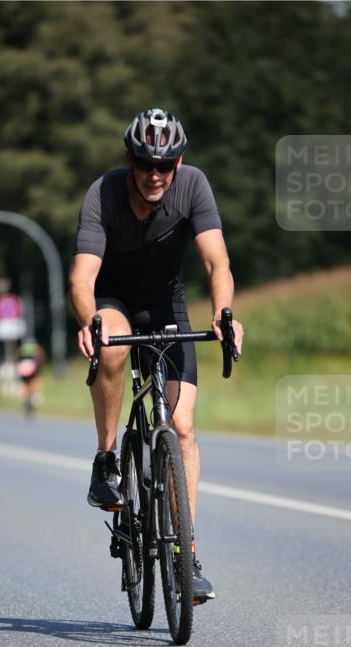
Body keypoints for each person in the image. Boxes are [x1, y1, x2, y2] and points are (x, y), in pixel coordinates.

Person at [70, 108, 245, 602]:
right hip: (114, 300)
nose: (155, 174)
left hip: (166, 304)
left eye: (165, 165)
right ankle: (107, 460)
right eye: (146, 163)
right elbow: (82, 278)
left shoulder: (193, 186)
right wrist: (91, 321)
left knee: (183, 428)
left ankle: (184, 556)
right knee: (111, 349)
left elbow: (217, 260)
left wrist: (224, 313)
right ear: (130, 159)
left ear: (178, 163)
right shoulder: (103, 194)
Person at [17, 334, 46, 416]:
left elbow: (18, 358)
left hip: (23, 369)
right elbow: (40, 359)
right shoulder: (37, 348)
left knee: (25, 385)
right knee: (34, 382)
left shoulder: (22, 348)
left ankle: (25, 401)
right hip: (33, 368)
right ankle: (34, 398)